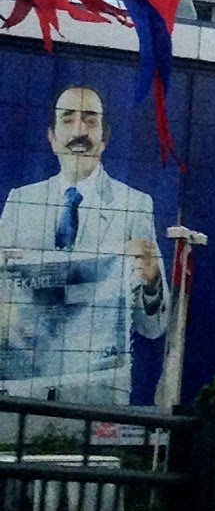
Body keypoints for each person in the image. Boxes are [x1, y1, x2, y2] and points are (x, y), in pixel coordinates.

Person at [0, 85, 167, 404]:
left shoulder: (134, 205)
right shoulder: (20, 202)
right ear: (52, 138)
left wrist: (152, 283)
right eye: (68, 119)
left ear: (104, 138)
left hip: (96, 397)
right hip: (20, 396)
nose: (79, 130)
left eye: (90, 120)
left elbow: (153, 327)